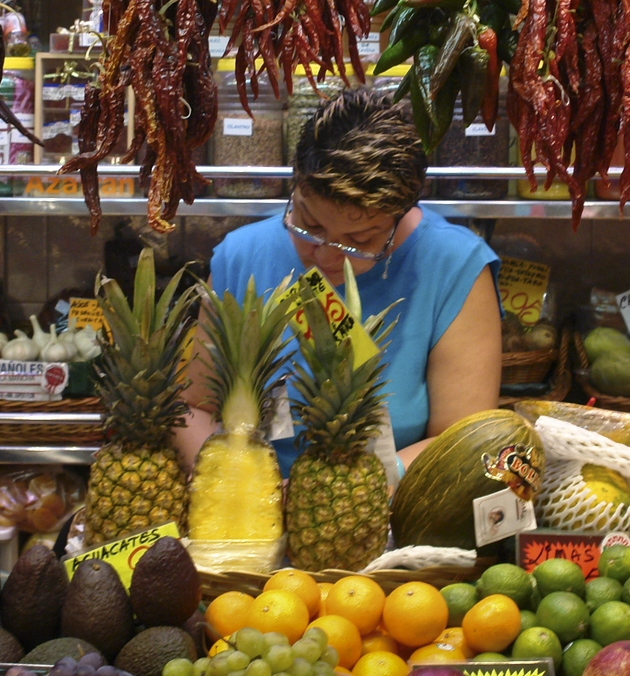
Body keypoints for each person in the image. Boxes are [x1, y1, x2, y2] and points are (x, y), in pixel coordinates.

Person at [175, 86, 502, 473]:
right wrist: (234, 479)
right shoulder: (242, 256)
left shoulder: (455, 267)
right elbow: (195, 408)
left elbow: (459, 439)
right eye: (309, 225)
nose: (327, 256)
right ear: (295, 187)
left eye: (359, 240)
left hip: (392, 512)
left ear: (401, 214)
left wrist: (368, 485)